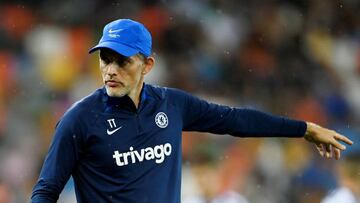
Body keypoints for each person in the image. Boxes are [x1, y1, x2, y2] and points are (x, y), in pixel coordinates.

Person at [31, 19, 353, 203]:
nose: (110, 70)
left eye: (122, 60)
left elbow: (235, 120)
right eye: (105, 59)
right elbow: (46, 191)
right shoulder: (80, 119)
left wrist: (304, 129)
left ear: (147, 65)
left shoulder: (172, 105)